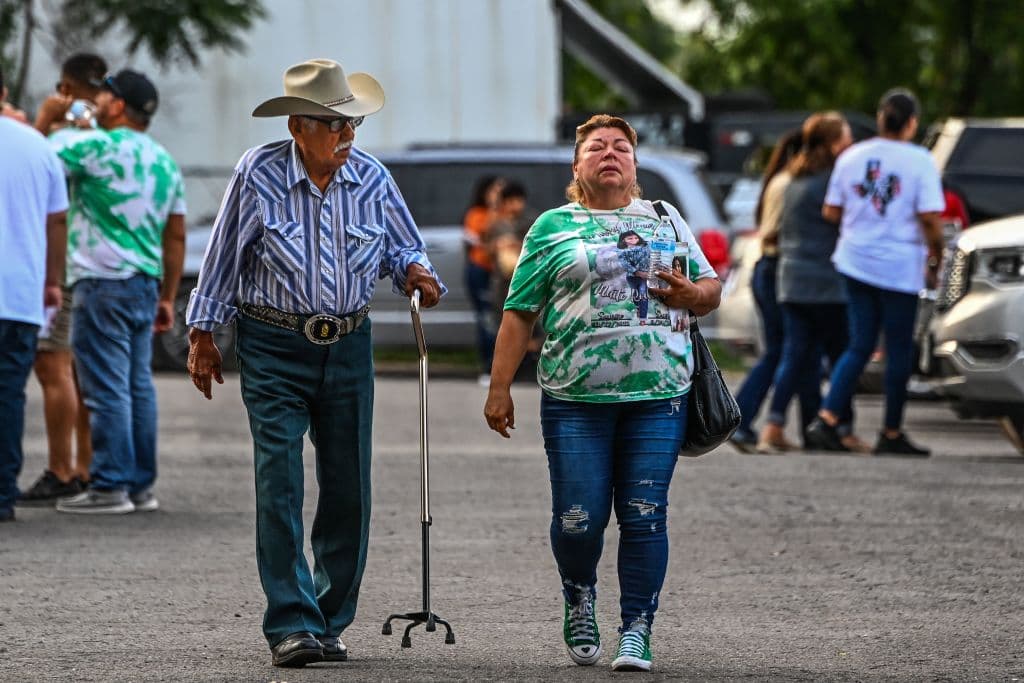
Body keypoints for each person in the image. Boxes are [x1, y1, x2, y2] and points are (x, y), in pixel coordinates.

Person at [184, 58, 444, 668]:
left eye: (352, 124)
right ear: (299, 127)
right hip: (273, 344)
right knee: (280, 483)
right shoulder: (258, 172)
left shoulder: (373, 178)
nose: (348, 136)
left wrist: (416, 270)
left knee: (349, 488)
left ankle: (328, 617)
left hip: (349, 344)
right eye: (335, 125)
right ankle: (291, 623)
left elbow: (405, 245)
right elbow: (223, 254)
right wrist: (202, 333)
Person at [484, 114, 721, 672]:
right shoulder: (551, 227)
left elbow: (710, 288)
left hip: (659, 396)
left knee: (644, 514)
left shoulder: (665, 219)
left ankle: (637, 627)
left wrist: (694, 293)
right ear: (577, 165)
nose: (610, 154)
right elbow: (519, 314)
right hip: (574, 400)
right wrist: (499, 389)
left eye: (622, 147)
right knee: (578, 518)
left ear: (635, 166)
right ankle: (579, 593)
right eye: (597, 147)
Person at [52, 69, 186, 514]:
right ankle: (139, 486)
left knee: (107, 389)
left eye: (105, 94)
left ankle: (109, 485)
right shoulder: (165, 161)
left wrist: (66, 118)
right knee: (137, 386)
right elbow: (176, 236)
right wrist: (167, 297)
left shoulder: (94, 146)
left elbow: (42, 155)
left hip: (100, 282)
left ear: (117, 105)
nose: (99, 99)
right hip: (144, 284)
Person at [805, 88, 945, 456]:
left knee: (859, 344)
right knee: (898, 348)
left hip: (855, 261)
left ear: (881, 118)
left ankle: (827, 417)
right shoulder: (920, 161)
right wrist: (937, 254)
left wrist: (864, 217)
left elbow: (831, 212)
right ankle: (892, 431)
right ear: (912, 123)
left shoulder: (852, 156)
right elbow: (931, 218)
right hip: (899, 266)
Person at [18, 52, 107, 506]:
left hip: (63, 264)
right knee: (77, 369)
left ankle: (62, 469)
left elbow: (18, 166)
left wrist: (43, 120)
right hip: (93, 263)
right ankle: (87, 467)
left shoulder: (62, 140)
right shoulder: (112, 129)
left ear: (66, 89)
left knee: (52, 366)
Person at [758, 112, 857, 453]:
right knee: (846, 353)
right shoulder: (833, 181)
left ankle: (772, 425)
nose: (850, 145)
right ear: (832, 144)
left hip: (791, 280)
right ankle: (841, 428)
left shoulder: (794, 178)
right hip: (826, 283)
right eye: (846, 138)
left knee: (795, 354)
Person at [0, 67, 69, 523]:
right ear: (3, 91)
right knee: (9, 394)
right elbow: (56, 221)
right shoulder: (38, 145)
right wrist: (52, 281)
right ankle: (2, 493)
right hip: (20, 294)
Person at [729, 129, 813, 452]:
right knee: (782, 350)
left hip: (768, 269)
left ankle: (751, 420)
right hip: (776, 269)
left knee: (792, 349)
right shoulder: (789, 185)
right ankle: (741, 418)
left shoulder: (776, 180)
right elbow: (776, 234)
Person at [463, 175, 504, 384]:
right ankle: (488, 367)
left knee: (501, 319)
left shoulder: (505, 214)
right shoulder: (477, 215)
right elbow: (482, 237)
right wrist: (494, 208)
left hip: (501, 272)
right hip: (481, 270)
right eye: (495, 190)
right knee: (486, 319)